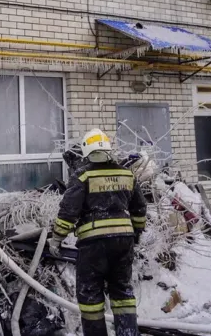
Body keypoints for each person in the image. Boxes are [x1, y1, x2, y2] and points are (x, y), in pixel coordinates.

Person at [49, 129, 147, 336]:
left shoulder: (83, 175)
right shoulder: (126, 173)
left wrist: (56, 238)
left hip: (93, 244)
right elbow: (139, 208)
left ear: (86, 151)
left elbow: (69, 212)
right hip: (123, 242)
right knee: (122, 293)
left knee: (90, 296)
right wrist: (136, 233)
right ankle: (128, 332)